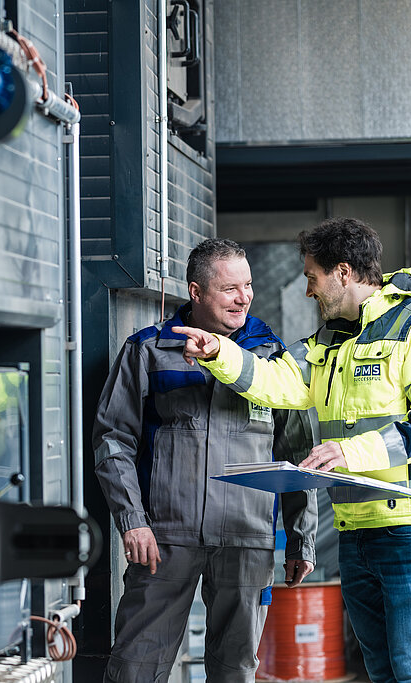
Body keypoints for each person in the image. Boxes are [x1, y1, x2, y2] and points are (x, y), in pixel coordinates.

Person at [175, 218, 411, 683]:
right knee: (382, 672)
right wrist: (218, 353)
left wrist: (351, 453)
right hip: (356, 532)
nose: (309, 290)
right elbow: (275, 382)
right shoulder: (330, 340)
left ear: (343, 273)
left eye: (312, 277)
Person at [93, 238, 318, 683]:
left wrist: (300, 538)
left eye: (249, 285)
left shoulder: (272, 358)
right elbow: (113, 438)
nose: (244, 297)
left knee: (235, 669)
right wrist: (132, 521)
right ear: (195, 293)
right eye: (229, 288)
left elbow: (296, 456)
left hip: (246, 536)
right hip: (164, 537)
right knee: (136, 665)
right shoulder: (149, 350)